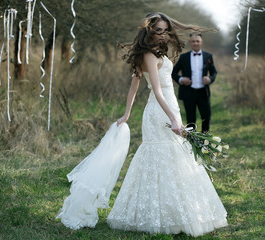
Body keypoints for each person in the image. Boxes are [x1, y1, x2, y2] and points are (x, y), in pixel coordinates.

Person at [57, 12, 227, 237]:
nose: (163, 35)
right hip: (160, 112)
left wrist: (128, 113)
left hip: (170, 106)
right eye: (159, 30)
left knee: (177, 159)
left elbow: (134, 86)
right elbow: (154, 91)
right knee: (161, 156)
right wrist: (172, 119)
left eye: (166, 30)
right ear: (149, 31)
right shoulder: (147, 55)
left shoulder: (158, 53)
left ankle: (178, 211)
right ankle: (159, 214)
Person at [171, 33, 217, 132]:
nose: (195, 43)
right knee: (190, 120)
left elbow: (213, 72)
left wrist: (209, 79)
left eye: (197, 41)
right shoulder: (184, 57)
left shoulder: (208, 56)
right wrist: (181, 79)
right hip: (188, 92)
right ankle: (192, 144)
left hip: (203, 92)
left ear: (201, 42)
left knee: (206, 117)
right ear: (190, 43)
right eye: (193, 41)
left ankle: (205, 141)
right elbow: (173, 72)